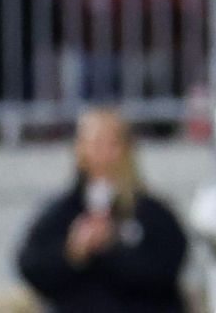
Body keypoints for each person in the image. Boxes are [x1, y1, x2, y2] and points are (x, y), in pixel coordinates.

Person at [17, 108, 188, 313]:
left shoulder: (152, 213)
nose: (103, 153)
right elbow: (31, 265)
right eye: (94, 142)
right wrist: (72, 252)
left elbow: (166, 269)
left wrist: (113, 247)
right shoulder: (62, 212)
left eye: (112, 143)